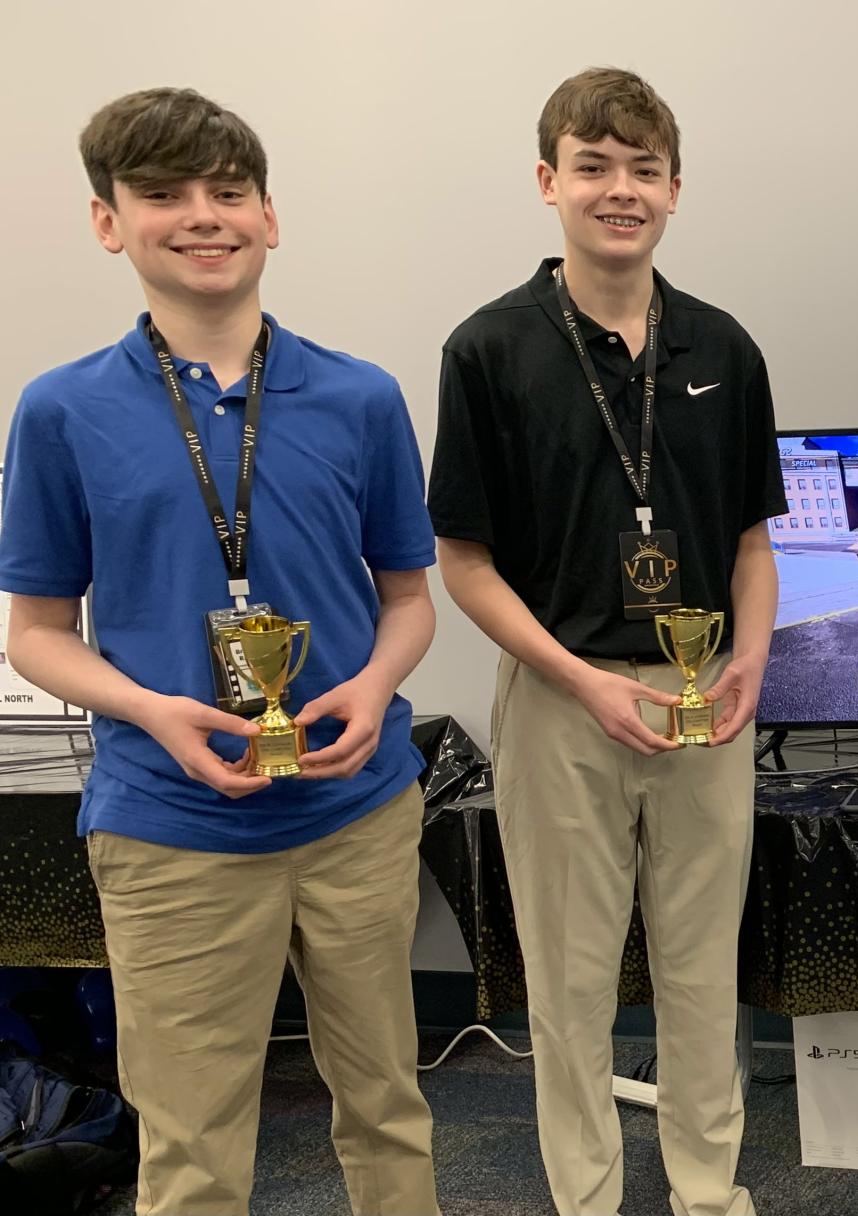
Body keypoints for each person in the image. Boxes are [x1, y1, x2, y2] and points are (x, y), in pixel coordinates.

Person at [0, 88, 439, 1216]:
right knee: (191, 1149)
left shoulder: (360, 396)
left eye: (228, 192)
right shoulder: (59, 412)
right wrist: (151, 709)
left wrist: (378, 682)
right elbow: (38, 636)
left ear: (269, 216)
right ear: (109, 222)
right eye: (161, 195)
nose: (202, 216)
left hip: (357, 813)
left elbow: (409, 602)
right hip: (171, 831)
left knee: (390, 1106)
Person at [427, 67, 784, 1216]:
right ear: (550, 181)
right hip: (560, 697)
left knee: (699, 969)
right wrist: (581, 679)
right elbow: (465, 565)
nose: (619, 190)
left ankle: (706, 1190)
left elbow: (750, 544)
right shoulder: (488, 350)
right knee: (571, 984)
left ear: (675, 188)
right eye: (594, 166)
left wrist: (752, 662)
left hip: (705, 705)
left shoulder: (726, 346)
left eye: (642, 169)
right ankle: (584, 1198)